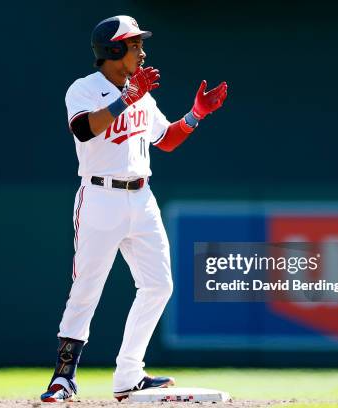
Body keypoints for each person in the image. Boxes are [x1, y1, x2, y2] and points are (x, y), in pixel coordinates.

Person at [40, 15, 228, 402]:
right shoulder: (85, 89)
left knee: (160, 285)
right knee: (87, 288)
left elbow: (167, 140)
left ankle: (129, 374)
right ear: (113, 50)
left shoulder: (140, 91)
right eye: (134, 45)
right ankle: (63, 377)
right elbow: (84, 129)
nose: (142, 51)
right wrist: (126, 97)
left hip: (142, 198)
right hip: (100, 197)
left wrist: (196, 115)